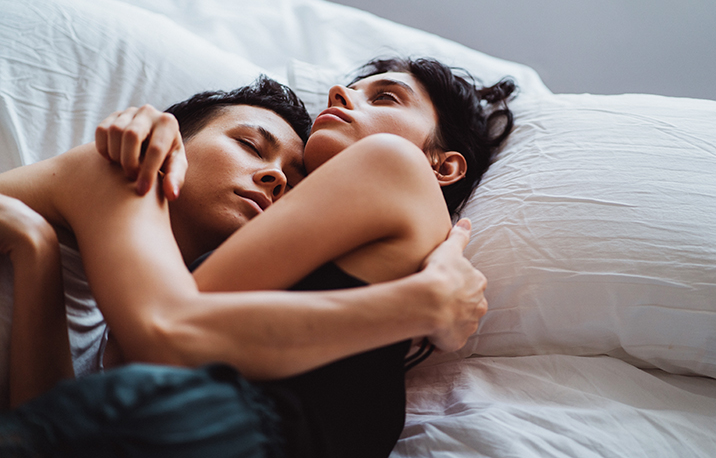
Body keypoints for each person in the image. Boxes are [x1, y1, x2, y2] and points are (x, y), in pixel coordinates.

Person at [0, 58, 514, 456]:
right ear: (174, 141)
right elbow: (156, 341)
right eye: (250, 144)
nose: (275, 180)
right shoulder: (123, 181)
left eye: (386, 96)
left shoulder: (397, 167)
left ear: (443, 165)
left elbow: (134, 357)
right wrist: (421, 304)